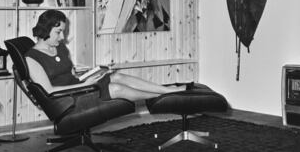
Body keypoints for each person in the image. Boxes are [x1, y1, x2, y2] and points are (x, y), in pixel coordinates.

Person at [25, 10, 186, 101]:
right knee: (115, 88)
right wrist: (83, 85)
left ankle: (166, 90)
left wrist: (94, 72)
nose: (62, 37)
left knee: (117, 76)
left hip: (82, 86)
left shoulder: (59, 48)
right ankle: (163, 96)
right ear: (45, 29)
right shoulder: (32, 58)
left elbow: (72, 74)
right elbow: (49, 91)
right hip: (69, 97)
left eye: (63, 32)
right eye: (58, 32)